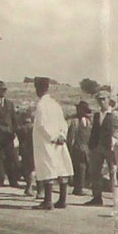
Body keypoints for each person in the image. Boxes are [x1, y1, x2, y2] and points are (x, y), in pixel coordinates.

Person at [32, 77, 73, 210]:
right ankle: (62, 200)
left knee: (48, 168)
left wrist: (53, 137)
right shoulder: (55, 104)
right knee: (61, 168)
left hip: (47, 142)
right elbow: (63, 123)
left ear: (38, 88)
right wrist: (62, 135)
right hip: (58, 141)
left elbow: (41, 125)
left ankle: (48, 201)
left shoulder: (42, 105)